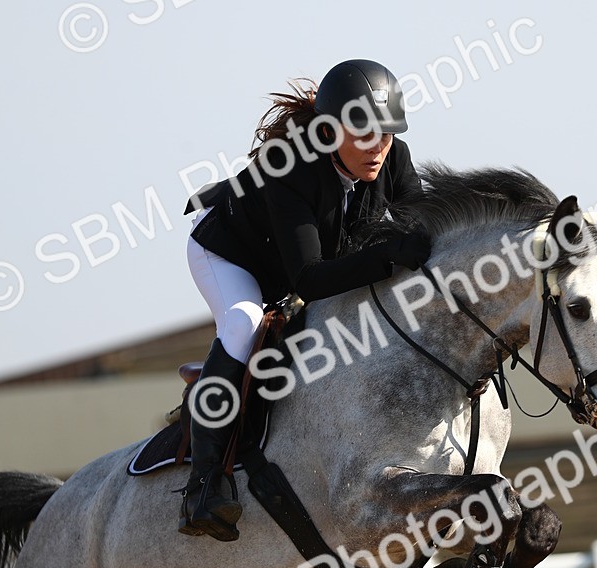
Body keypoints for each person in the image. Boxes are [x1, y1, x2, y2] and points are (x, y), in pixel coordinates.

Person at [181, 58, 431, 541]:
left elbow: (421, 228)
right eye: (363, 135)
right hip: (228, 252)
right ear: (330, 129)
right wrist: (386, 256)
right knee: (244, 323)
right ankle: (205, 483)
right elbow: (311, 279)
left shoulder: (394, 158)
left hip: (291, 261)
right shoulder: (291, 168)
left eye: (385, 134)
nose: (376, 147)